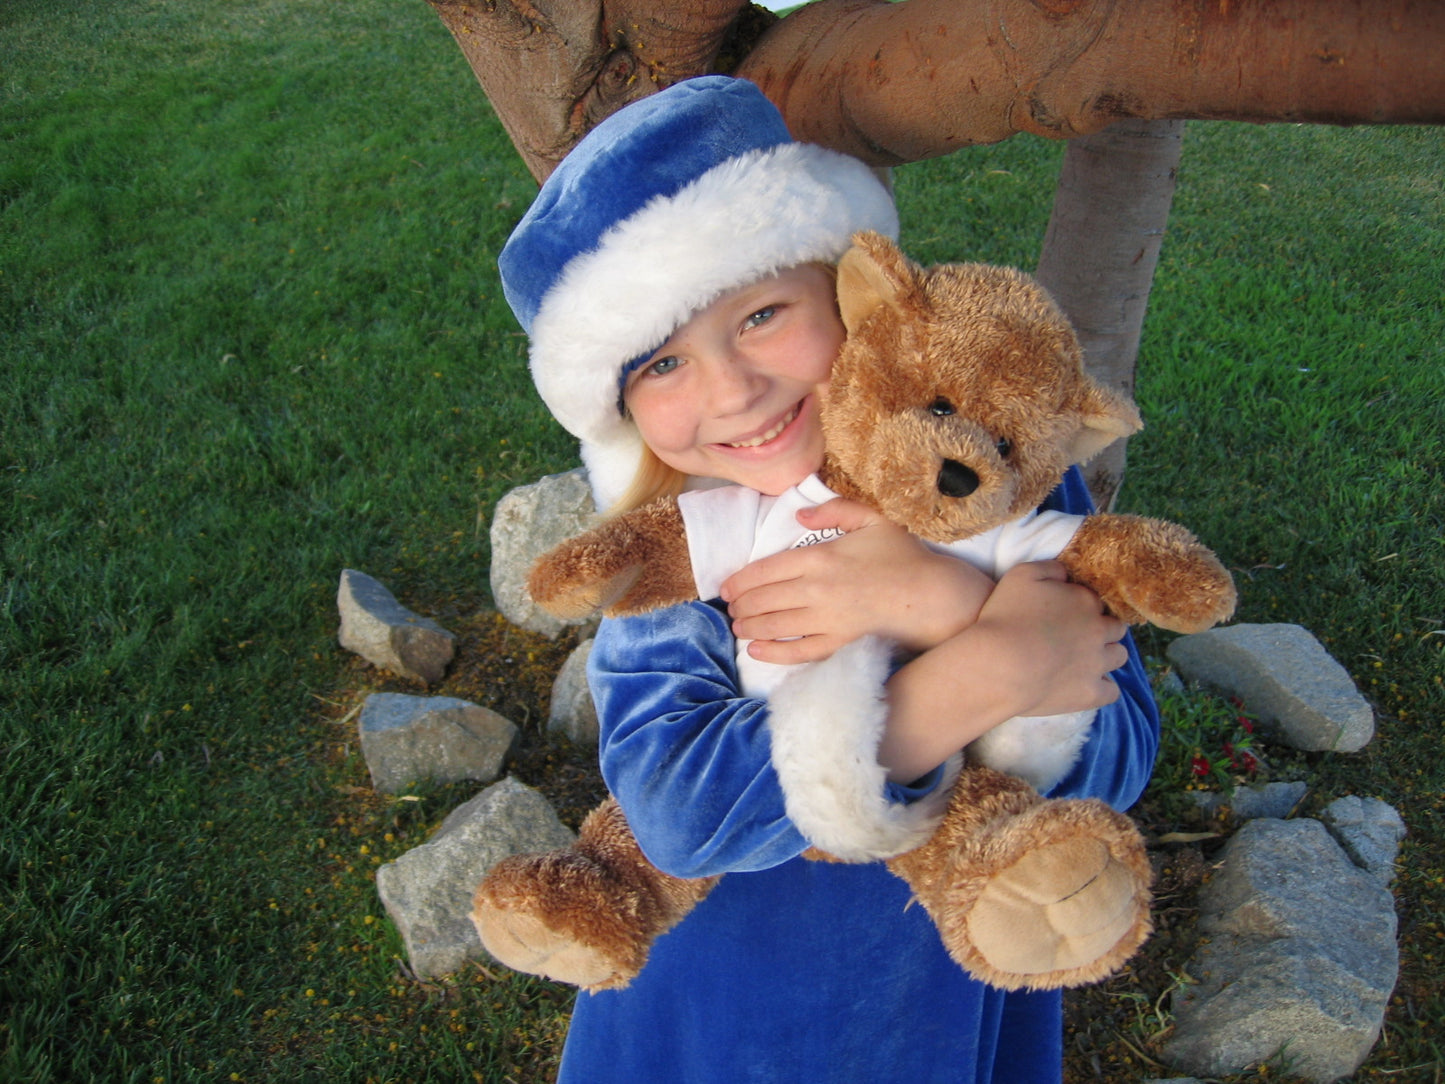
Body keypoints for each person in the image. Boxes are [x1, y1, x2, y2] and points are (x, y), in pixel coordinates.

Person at [497, 75, 1158, 1084]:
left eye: (761, 313)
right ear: (620, 409)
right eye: (661, 367)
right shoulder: (668, 558)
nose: (731, 388)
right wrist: (967, 677)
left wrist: (944, 597)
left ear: (852, 289)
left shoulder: (990, 465)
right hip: (725, 1007)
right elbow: (675, 815)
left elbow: (1116, 759)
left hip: (931, 992)